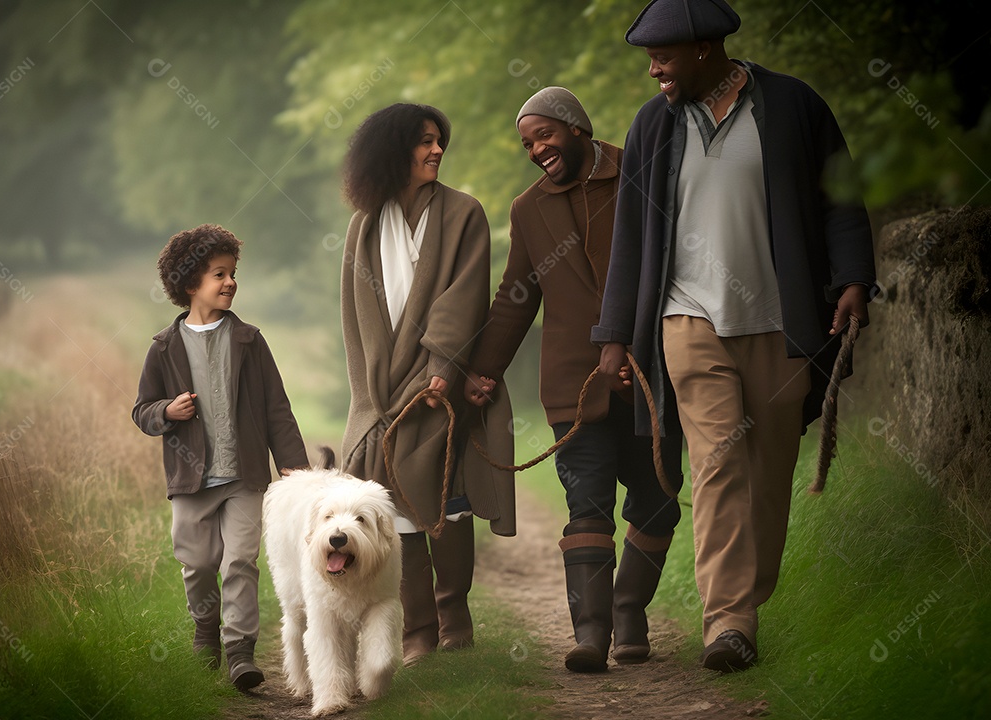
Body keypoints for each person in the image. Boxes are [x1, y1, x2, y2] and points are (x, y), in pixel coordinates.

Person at [593, 0, 876, 672]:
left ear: (705, 49)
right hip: (686, 318)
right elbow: (630, 236)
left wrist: (855, 279)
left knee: (767, 472)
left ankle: (749, 604)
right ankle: (728, 622)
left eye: (663, 55)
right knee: (718, 464)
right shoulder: (652, 127)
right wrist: (613, 334)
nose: (654, 68)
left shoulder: (795, 108)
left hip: (782, 322)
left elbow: (841, 202)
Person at [464, 87, 683, 673]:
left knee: (658, 497)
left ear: (577, 129)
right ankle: (590, 634)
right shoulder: (527, 208)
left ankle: (628, 612)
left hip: (649, 371)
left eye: (545, 135)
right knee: (586, 501)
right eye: (528, 142)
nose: (537, 149)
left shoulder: (636, 170)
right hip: (571, 382)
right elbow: (515, 298)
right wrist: (484, 369)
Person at [339, 103, 515, 666]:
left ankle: (453, 615)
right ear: (392, 151)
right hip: (384, 391)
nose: (437, 150)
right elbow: (357, 313)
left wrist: (441, 367)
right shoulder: (364, 224)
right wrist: (371, 393)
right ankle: (417, 630)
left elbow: (464, 298)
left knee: (447, 495)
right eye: (423, 141)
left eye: (440, 140)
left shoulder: (465, 213)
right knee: (394, 508)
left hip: (442, 384)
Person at [132, 223, 309, 690]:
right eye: (219, 274)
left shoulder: (249, 340)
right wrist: (166, 411)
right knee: (198, 563)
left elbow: (277, 407)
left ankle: (239, 651)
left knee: (240, 563)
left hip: (245, 476)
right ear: (191, 283)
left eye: (233, 273)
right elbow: (141, 410)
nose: (230, 282)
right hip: (190, 481)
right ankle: (206, 631)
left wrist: (293, 466)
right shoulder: (163, 348)